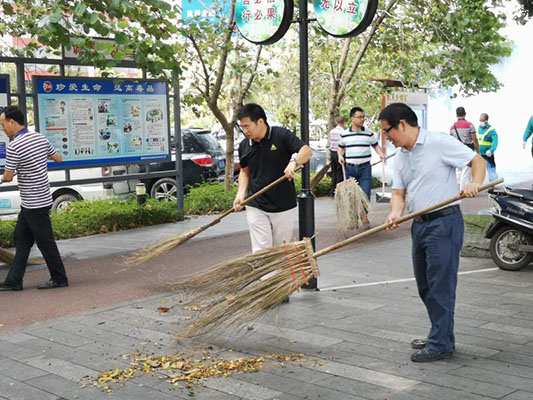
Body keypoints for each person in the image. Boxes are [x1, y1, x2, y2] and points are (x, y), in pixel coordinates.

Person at [380, 103, 485, 363]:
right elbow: (398, 192)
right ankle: (439, 332)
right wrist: (395, 212)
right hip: (420, 225)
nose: (387, 138)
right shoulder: (402, 156)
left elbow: (476, 160)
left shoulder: (438, 142)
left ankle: (441, 343)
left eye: (387, 131)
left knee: (441, 286)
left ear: (402, 124)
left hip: (444, 224)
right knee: (426, 286)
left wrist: (475, 183)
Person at [0, 106, 69, 292]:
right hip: (40, 199)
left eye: (3, 124)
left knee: (45, 241)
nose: (3, 129)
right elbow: (58, 158)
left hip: (33, 202)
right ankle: (14, 280)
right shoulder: (39, 138)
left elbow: (7, 176)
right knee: (21, 238)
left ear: (13, 123)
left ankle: (59, 278)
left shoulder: (14, 146)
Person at [233, 103, 312, 254]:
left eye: (247, 126)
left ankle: (277, 277)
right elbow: (244, 171)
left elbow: (306, 151)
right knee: (261, 250)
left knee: (280, 250)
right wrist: (240, 194)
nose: (244, 131)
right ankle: (266, 278)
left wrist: (294, 162)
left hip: (283, 204)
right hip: (255, 203)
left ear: (260, 121)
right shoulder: (244, 145)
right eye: (242, 127)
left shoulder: (281, 135)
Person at [337, 107, 385, 227]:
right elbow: (340, 148)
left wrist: (381, 154)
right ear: (352, 118)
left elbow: (375, 146)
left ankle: (364, 215)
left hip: (365, 168)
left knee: (366, 193)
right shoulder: (344, 134)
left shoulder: (369, 133)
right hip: (350, 168)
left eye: (363, 117)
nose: (362, 119)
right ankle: (353, 219)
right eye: (359, 117)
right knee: (351, 195)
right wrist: (340, 156)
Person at [450, 107, 480, 190]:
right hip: (468, 149)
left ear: (456, 115)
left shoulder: (452, 127)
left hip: (457, 150)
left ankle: (458, 187)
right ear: (465, 114)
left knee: (459, 170)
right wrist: (478, 151)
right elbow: (474, 140)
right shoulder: (470, 125)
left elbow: (451, 141)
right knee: (467, 170)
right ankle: (464, 189)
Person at [477, 113, 499, 181]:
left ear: (486, 121)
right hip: (480, 153)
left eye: (482, 121)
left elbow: (495, 142)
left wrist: (491, 150)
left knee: (491, 168)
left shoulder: (492, 130)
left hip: (488, 154)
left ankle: (493, 183)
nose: (481, 122)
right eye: (480, 120)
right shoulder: (478, 128)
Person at [328, 116, 345, 196]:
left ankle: (332, 191)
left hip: (332, 153)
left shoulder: (332, 132)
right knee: (340, 173)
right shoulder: (343, 132)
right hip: (340, 153)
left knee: (334, 172)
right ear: (343, 123)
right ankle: (338, 192)